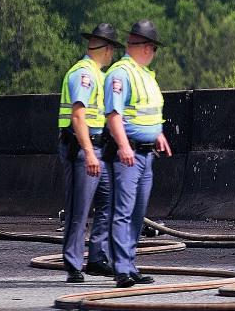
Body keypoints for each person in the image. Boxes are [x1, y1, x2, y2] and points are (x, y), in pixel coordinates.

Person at [104, 20, 172, 288]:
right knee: (122, 211)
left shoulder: (144, 74)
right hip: (128, 153)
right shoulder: (120, 74)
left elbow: (147, 112)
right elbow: (114, 115)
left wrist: (158, 133)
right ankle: (121, 268)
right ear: (146, 47)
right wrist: (122, 146)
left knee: (136, 212)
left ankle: (129, 263)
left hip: (145, 154)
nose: (154, 53)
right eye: (154, 48)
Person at [58, 23, 118, 282]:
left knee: (107, 201)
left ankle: (96, 258)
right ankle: (73, 264)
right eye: (113, 49)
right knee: (79, 208)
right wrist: (89, 152)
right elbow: (78, 116)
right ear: (107, 49)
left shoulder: (96, 74)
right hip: (83, 149)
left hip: (96, 148)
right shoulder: (84, 74)